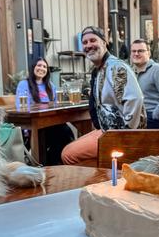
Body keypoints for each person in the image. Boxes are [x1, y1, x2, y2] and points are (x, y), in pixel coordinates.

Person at [61, 26, 147, 165]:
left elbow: (135, 100)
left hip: (120, 135)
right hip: (105, 130)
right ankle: (103, 177)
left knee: (68, 154)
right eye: (85, 42)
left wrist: (125, 136)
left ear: (104, 42)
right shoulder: (100, 69)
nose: (89, 45)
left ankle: (98, 182)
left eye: (93, 40)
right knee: (68, 146)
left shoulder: (116, 67)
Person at [15, 57, 74, 165]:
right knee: (62, 132)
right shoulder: (24, 84)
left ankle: (56, 161)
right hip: (33, 125)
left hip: (50, 123)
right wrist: (25, 130)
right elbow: (22, 108)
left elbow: (56, 106)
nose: (42, 68)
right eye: (39, 65)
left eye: (44, 66)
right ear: (33, 67)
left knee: (65, 131)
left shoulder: (50, 86)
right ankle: (50, 162)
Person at [130, 39, 159, 129]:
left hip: (151, 119)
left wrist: (155, 115)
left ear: (148, 53)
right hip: (134, 116)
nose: (136, 54)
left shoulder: (158, 70)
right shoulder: (131, 72)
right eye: (133, 51)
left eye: (140, 51)